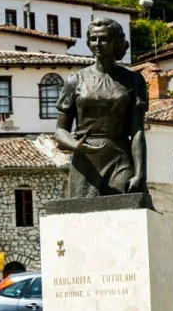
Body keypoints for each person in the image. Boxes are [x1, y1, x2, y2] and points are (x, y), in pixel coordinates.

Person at [53, 18, 150, 200]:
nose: (97, 43)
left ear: (116, 42)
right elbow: (60, 130)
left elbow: (137, 132)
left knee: (129, 202)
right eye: (93, 39)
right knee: (82, 211)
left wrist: (140, 174)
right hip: (85, 160)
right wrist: (75, 145)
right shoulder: (75, 80)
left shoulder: (133, 80)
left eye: (103, 39)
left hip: (119, 156)